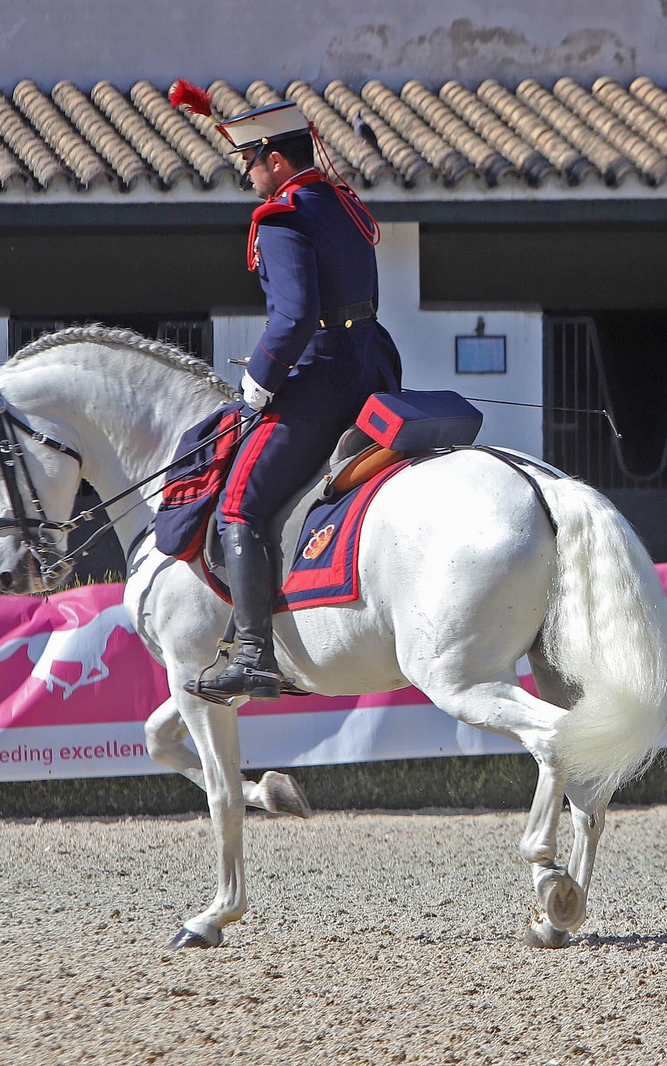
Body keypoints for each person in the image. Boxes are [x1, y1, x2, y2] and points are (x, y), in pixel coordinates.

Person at [171, 86, 403, 701]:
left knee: (240, 502)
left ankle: (253, 653)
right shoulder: (342, 203)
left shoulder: (282, 214)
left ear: (274, 160)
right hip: (371, 370)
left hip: (321, 379)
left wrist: (257, 384)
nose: (246, 175)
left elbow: (296, 317)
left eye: (249, 162)